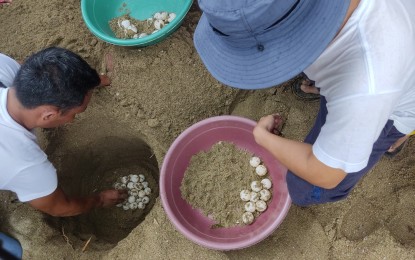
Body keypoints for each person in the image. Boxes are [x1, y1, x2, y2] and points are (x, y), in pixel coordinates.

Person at [193, 0, 415, 206]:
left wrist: (265, 139)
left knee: (305, 188)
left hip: (396, 106)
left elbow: (326, 175)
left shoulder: (363, 90)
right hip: (397, 53)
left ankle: (398, 135)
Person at [0, 47, 127, 258]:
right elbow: (60, 207)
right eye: (76, 113)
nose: (74, 120)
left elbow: (48, 72)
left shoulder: (6, 67)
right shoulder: (23, 162)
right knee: (12, 252)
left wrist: (88, 82)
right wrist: (100, 199)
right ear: (49, 115)